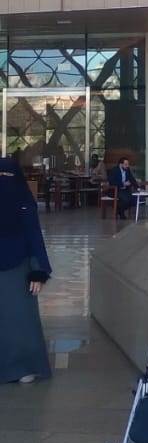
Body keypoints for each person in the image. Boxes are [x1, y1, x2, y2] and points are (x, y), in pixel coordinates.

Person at [0, 157, 52, 385]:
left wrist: (38, 270)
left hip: (20, 267)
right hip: (17, 265)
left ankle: (25, 366)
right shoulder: (20, 196)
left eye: (6, 176)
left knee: (21, 320)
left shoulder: (23, 200)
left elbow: (33, 235)